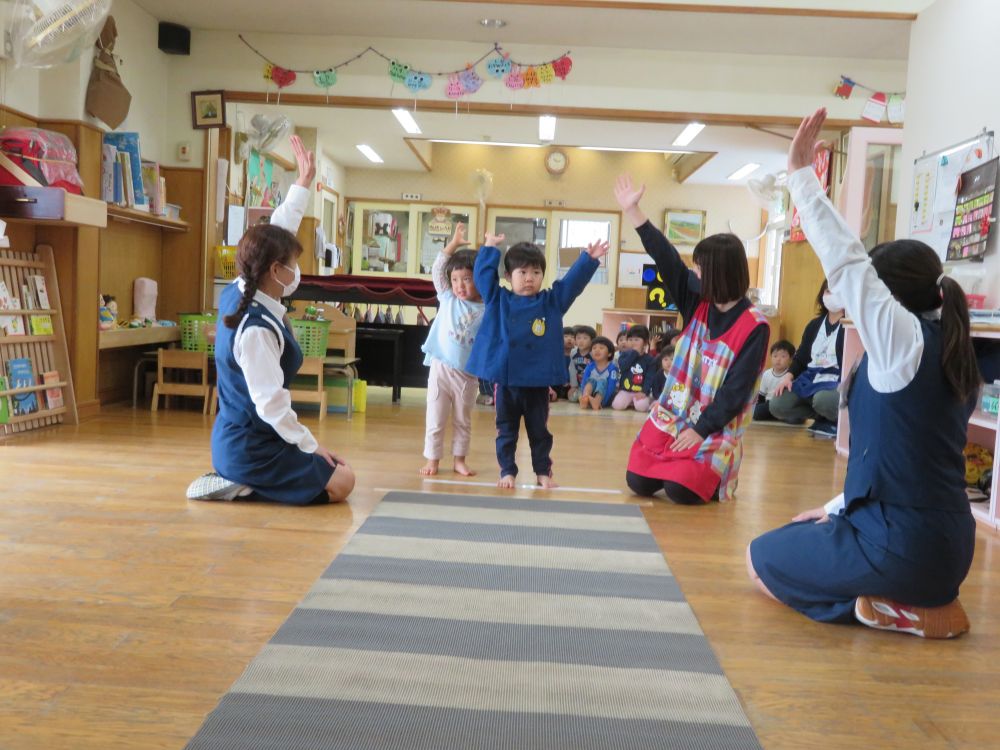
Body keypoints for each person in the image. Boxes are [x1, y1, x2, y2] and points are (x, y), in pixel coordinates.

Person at [747, 108, 979, 639]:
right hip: (946, 548)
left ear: (888, 296)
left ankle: (890, 609)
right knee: (799, 532)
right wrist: (835, 507)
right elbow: (900, 455)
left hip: (902, 546)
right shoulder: (950, 348)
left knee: (760, 560)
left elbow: (848, 265)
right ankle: (907, 599)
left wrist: (802, 177)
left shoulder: (903, 344)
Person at [187, 136, 356, 504]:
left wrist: (302, 184)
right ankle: (239, 484)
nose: (298, 271)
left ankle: (244, 479)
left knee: (340, 473)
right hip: (250, 447)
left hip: (254, 437)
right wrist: (313, 447)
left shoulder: (244, 282)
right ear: (276, 270)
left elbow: (279, 228)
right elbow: (271, 405)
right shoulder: (256, 330)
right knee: (344, 482)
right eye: (293, 265)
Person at [615, 174, 769, 504]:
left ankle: (715, 476)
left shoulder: (754, 325)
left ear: (718, 274)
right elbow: (665, 257)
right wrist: (634, 212)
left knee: (680, 491)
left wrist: (700, 430)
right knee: (638, 481)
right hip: (674, 414)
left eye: (699, 268)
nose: (693, 273)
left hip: (714, 425)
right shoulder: (696, 300)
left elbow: (736, 391)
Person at [466, 234, 607, 488]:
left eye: (536, 272)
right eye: (522, 272)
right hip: (507, 383)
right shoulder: (499, 299)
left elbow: (571, 285)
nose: (529, 278)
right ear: (508, 276)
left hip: (538, 383)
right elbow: (483, 278)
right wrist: (489, 249)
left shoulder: (551, 302)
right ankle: (507, 471)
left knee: (539, 432)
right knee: (505, 431)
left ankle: (543, 472)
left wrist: (588, 260)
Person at [419, 224, 484, 477]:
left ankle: (459, 460)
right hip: (441, 368)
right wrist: (453, 244)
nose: (459, 285)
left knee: (462, 420)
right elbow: (438, 269)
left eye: (467, 279)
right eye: (455, 280)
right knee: (435, 418)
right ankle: (432, 460)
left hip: (467, 375)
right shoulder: (447, 298)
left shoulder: (487, 308)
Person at [768, 280, 845, 437]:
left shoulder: (851, 326)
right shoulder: (814, 325)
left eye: (836, 292)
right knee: (777, 403)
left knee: (822, 399)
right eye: (828, 291)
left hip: (835, 380)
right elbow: (801, 357)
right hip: (811, 378)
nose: (831, 296)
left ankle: (836, 422)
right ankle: (821, 418)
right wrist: (787, 378)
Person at [612, 325, 655, 410]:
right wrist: (634, 353)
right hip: (625, 390)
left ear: (645, 342)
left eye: (636, 340)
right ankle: (630, 402)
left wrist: (644, 392)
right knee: (617, 405)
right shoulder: (623, 355)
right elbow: (623, 367)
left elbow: (650, 378)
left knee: (642, 407)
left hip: (640, 392)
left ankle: (644, 400)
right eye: (630, 339)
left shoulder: (650, 359)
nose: (633, 342)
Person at [753, 340, 795, 421]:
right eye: (775, 356)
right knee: (756, 412)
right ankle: (779, 417)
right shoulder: (766, 374)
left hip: (785, 405)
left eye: (783, 356)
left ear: (791, 359)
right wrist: (759, 408)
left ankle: (779, 416)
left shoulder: (791, 374)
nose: (778, 359)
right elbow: (761, 395)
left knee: (796, 419)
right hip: (769, 404)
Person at [579, 336, 620, 410]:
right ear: (591, 353)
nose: (597, 350)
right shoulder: (590, 366)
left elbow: (611, 387)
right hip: (591, 396)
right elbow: (583, 383)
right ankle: (585, 398)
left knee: (602, 381)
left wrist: (603, 402)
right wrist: (583, 394)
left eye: (601, 348)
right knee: (591, 381)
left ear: (609, 353)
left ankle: (597, 401)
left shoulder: (612, 368)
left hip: (606, 398)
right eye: (594, 348)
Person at [567, 325, 596, 402]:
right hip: (580, 385)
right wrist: (573, 386)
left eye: (585, 338)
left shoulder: (593, 354)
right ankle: (584, 396)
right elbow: (572, 370)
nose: (581, 341)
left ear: (592, 340)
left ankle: (589, 397)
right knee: (571, 398)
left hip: (593, 384)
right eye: (578, 338)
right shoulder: (573, 353)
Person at [552, 326, 576, 400]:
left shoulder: (576, 356)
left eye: (572, 337)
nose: (569, 339)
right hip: (557, 384)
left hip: (572, 385)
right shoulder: (555, 355)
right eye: (565, 336)